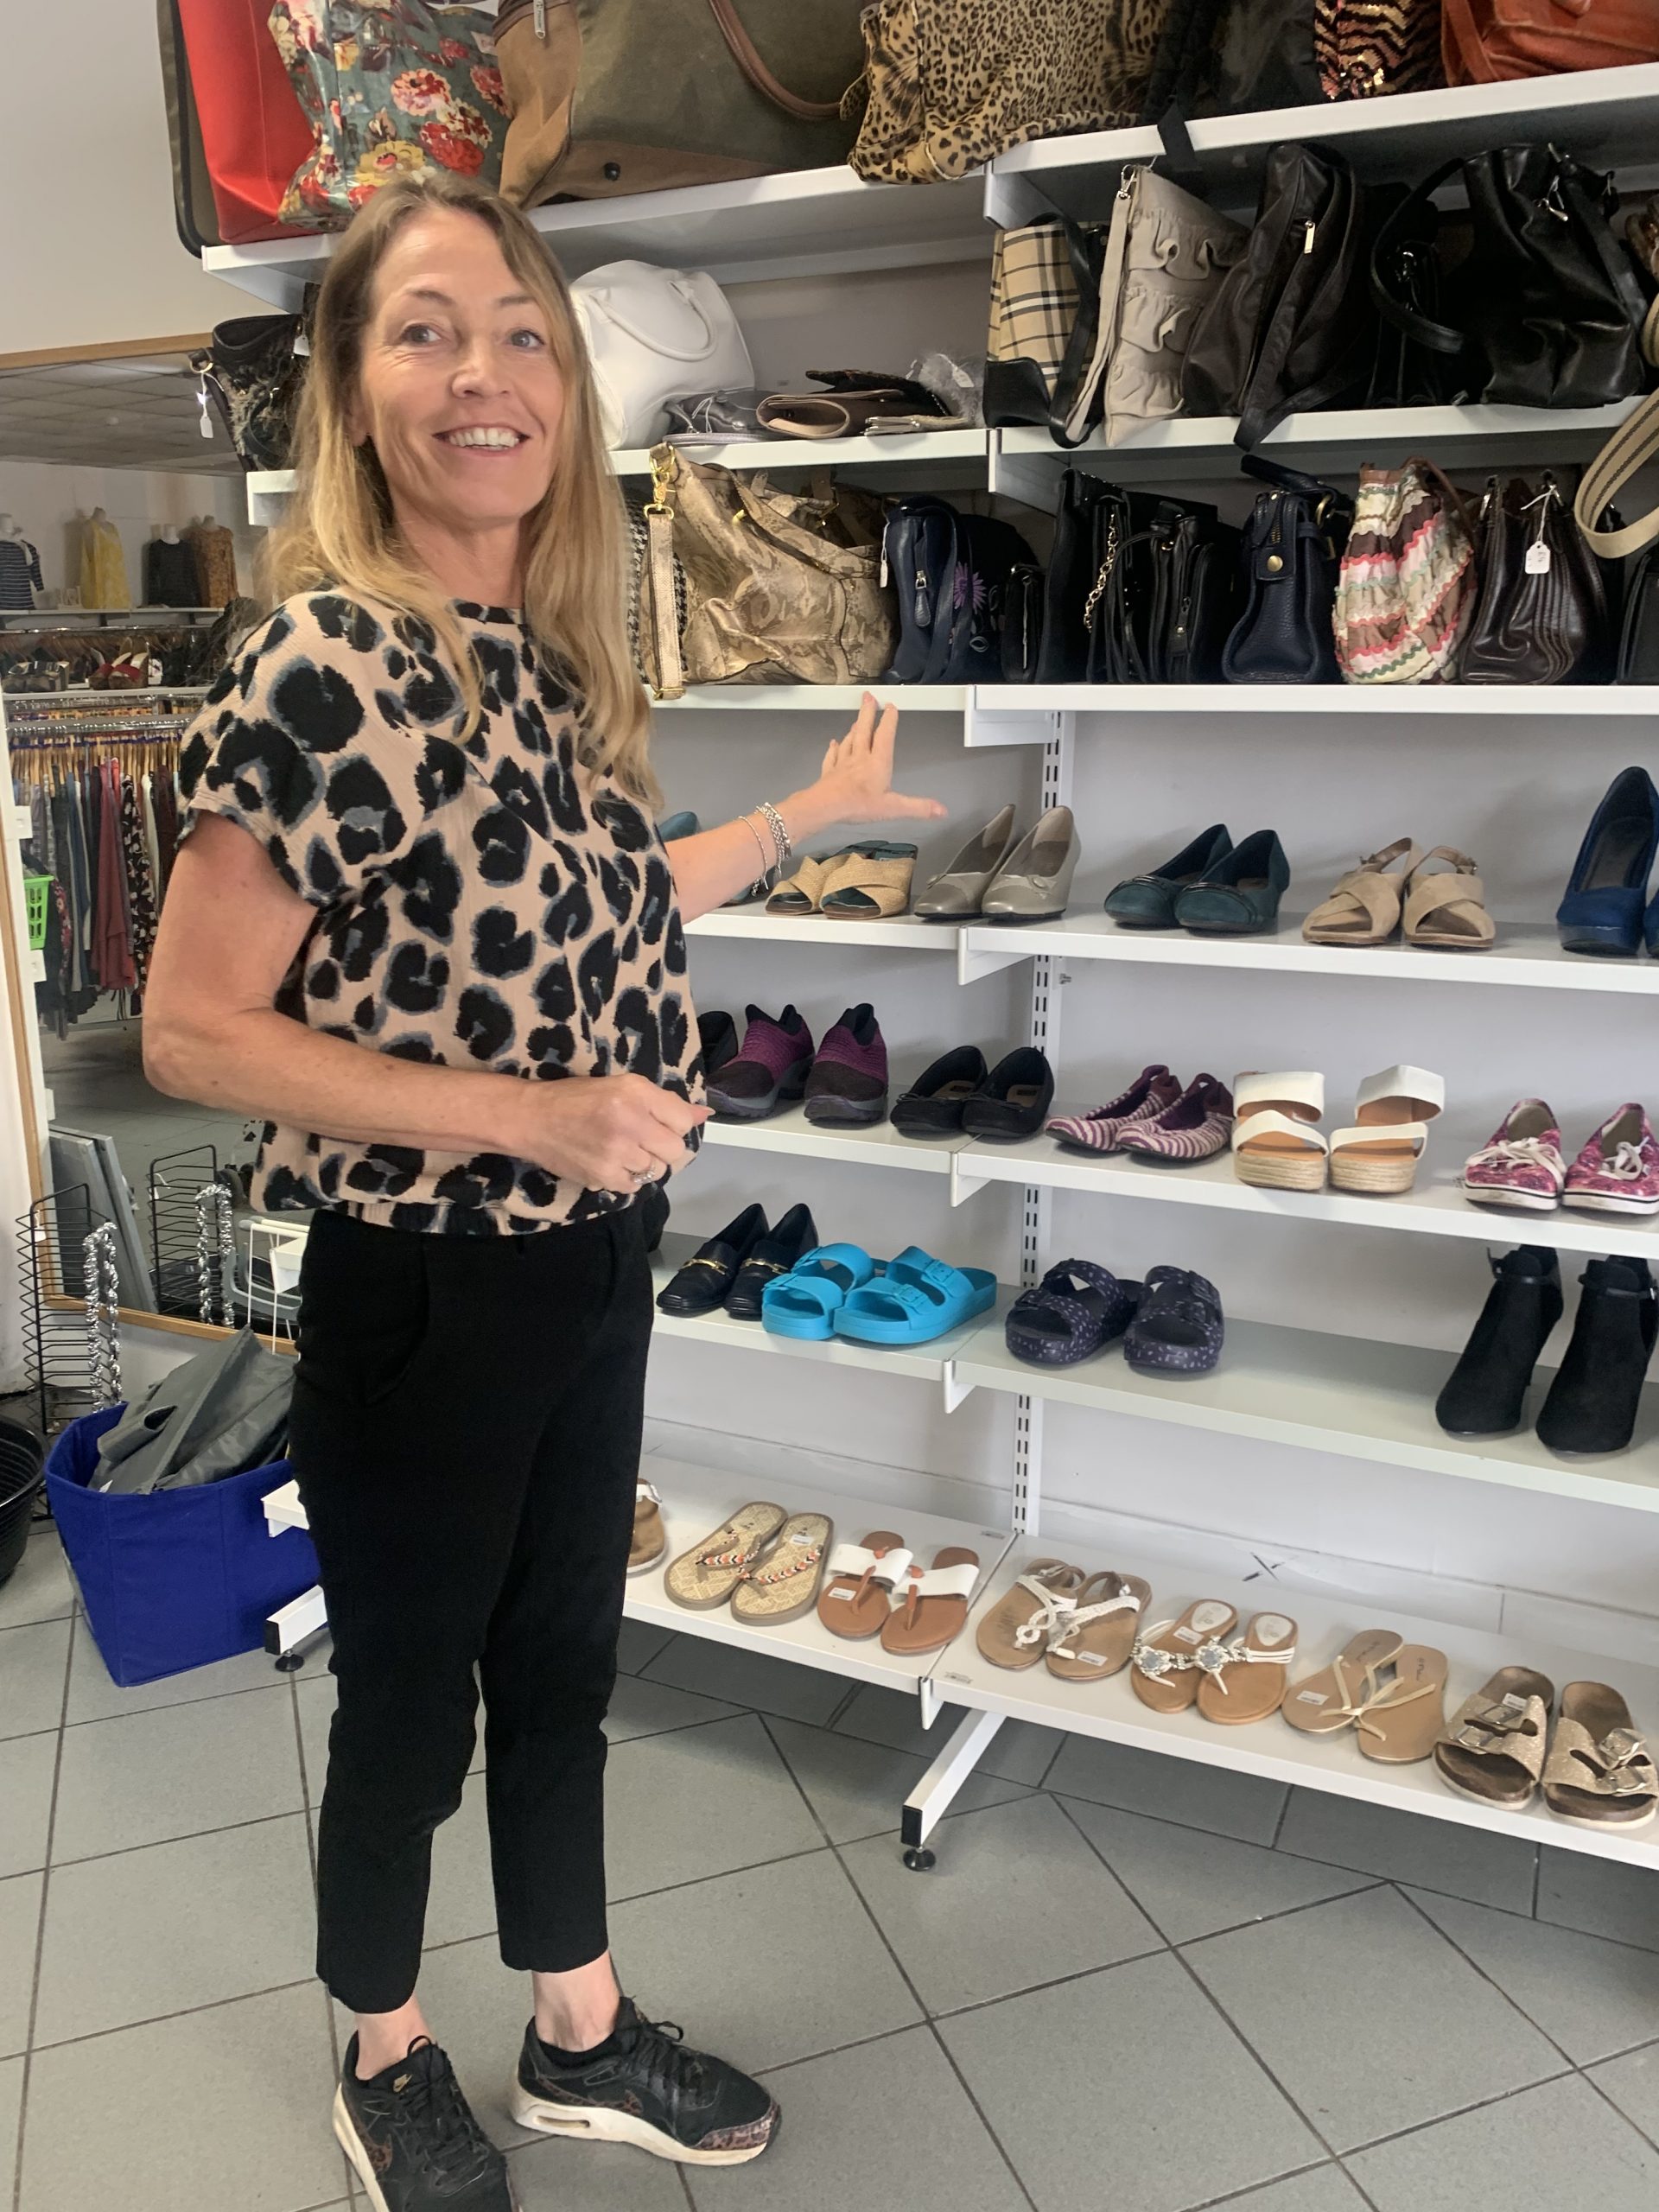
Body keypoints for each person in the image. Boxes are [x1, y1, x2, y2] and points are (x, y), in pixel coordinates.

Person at [144, 170, 944, 2212]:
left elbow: (595, 903)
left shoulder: (557, 655)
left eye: (518, 330)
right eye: (423, 327)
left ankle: (577, 2029)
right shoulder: (327, 661)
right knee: (410, 1693)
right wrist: (529, 1117)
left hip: (598, 1257)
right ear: (349, 380)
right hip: (423, 1282)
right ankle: (383, 2051)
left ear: (565, 391)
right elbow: (193, 1031)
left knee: (567, 1665)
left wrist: (797, 822)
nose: (482, 372)